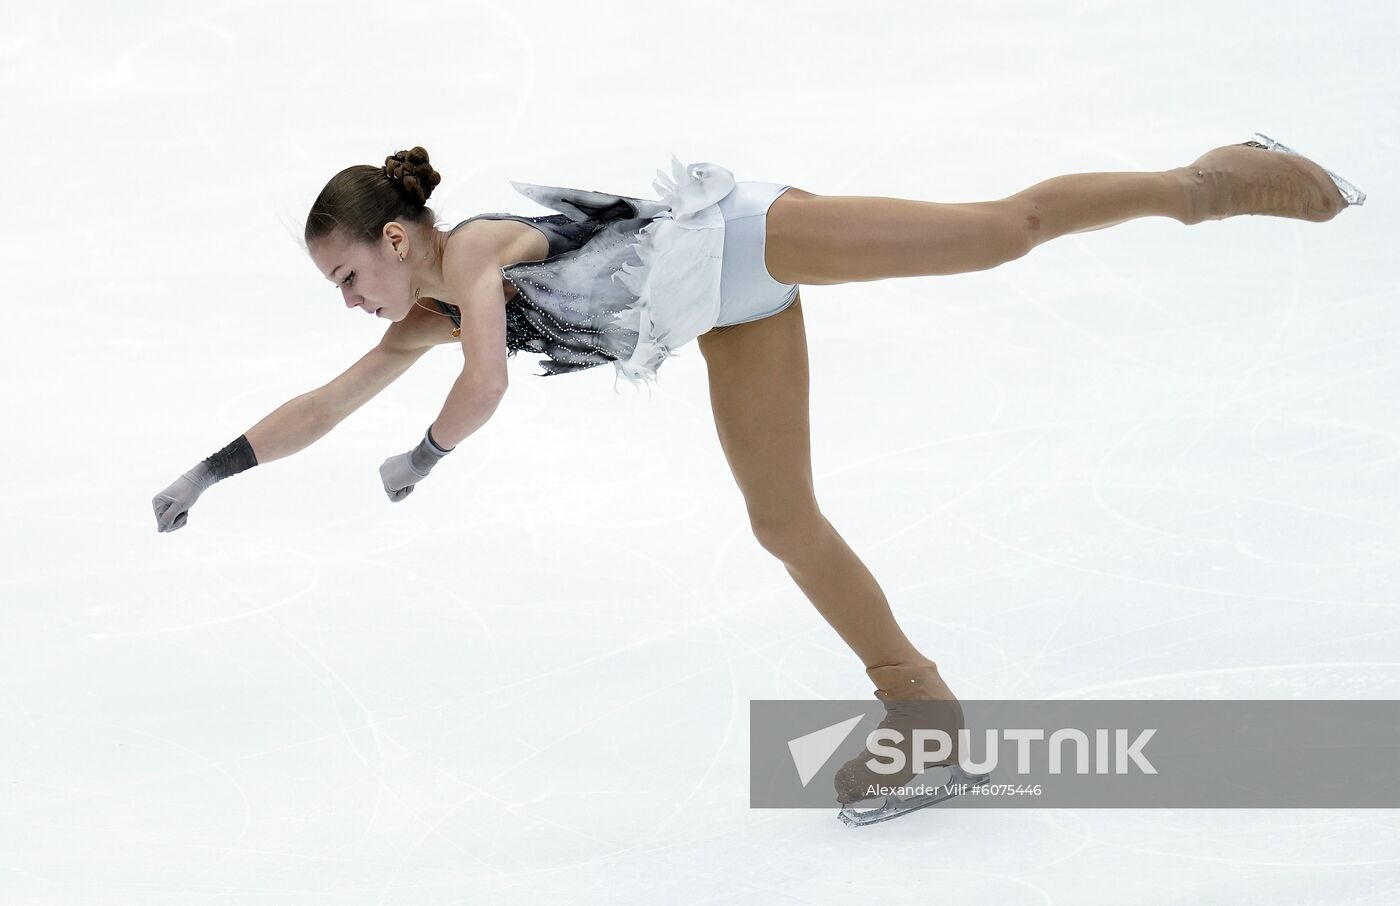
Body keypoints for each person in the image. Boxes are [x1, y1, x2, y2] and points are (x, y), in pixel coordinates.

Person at [152, 137, 1362, 817]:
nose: (352, 301)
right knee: (784, 522)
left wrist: (423, 458)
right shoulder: (417, 313)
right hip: (730, 318)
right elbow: (325, 402)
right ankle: (923, 713)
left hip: (745, 239)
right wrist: (210, 472)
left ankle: (1205, 185)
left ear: (397, 239)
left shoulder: (468, 264)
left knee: (996, 231)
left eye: (349, 277)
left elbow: (483, 384)